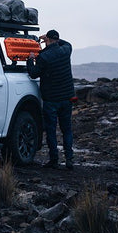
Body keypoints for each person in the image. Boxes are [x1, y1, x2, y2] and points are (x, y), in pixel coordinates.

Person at [26, 29, 75, 170]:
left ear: (48, 39)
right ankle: (69, 159)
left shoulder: (44, 57)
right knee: (67, 129)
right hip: (67, 97)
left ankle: (54, 159)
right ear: (58, 39)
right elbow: (65, 42)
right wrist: (50, 39)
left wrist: (30, 60)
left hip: (51, 100)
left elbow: (34, 74)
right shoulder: (66, 50)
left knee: (51, 130)